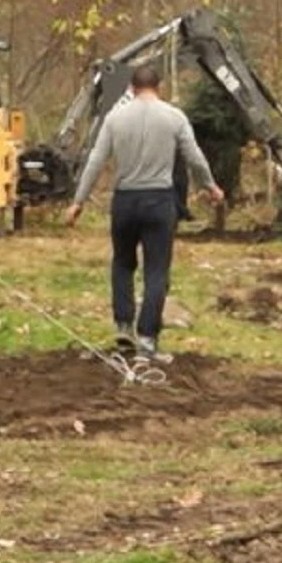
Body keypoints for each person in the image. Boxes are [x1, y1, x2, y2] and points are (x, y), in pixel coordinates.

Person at [65, 64, 224, 360]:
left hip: (124, 200)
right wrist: (211, 187)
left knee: (123, 264)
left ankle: (123, 328)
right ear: (158, 87)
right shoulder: (174, 117)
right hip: (159, 201)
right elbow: (195, 159)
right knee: (156, 270)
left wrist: (78, 202)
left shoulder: (115, 117)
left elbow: (96, 160)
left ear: (132, 88)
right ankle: (148, 339)